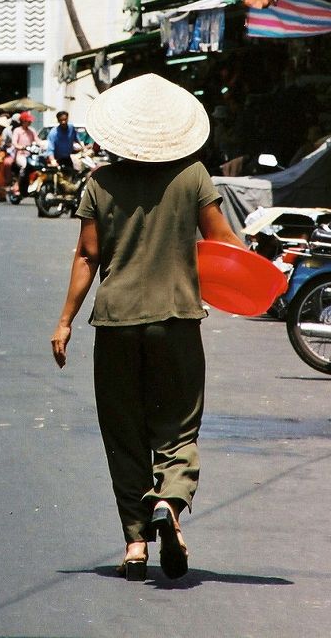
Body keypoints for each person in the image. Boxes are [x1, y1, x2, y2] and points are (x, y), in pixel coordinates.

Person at [51, 74, 245, 582]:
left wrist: (65, 321)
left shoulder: (99, 184)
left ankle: (136, 542)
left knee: (123, 431)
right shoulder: (194, 177)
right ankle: (171, 504)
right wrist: (262, 277)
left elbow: (88, 256)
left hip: (114, 320)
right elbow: (223, 244)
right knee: (178, 424)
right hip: (177, 318)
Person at [11, 111, 38, 196]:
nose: (30, 122)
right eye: (28, 121)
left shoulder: (32, 130)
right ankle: (17, 187)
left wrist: (46, 144)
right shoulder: (17, 130)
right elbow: (14, 143)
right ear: (23, 121)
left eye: (30, 121)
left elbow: (38, 140)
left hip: (31, 155)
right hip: (20, 154)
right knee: (24, 166)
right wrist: (21, 147)